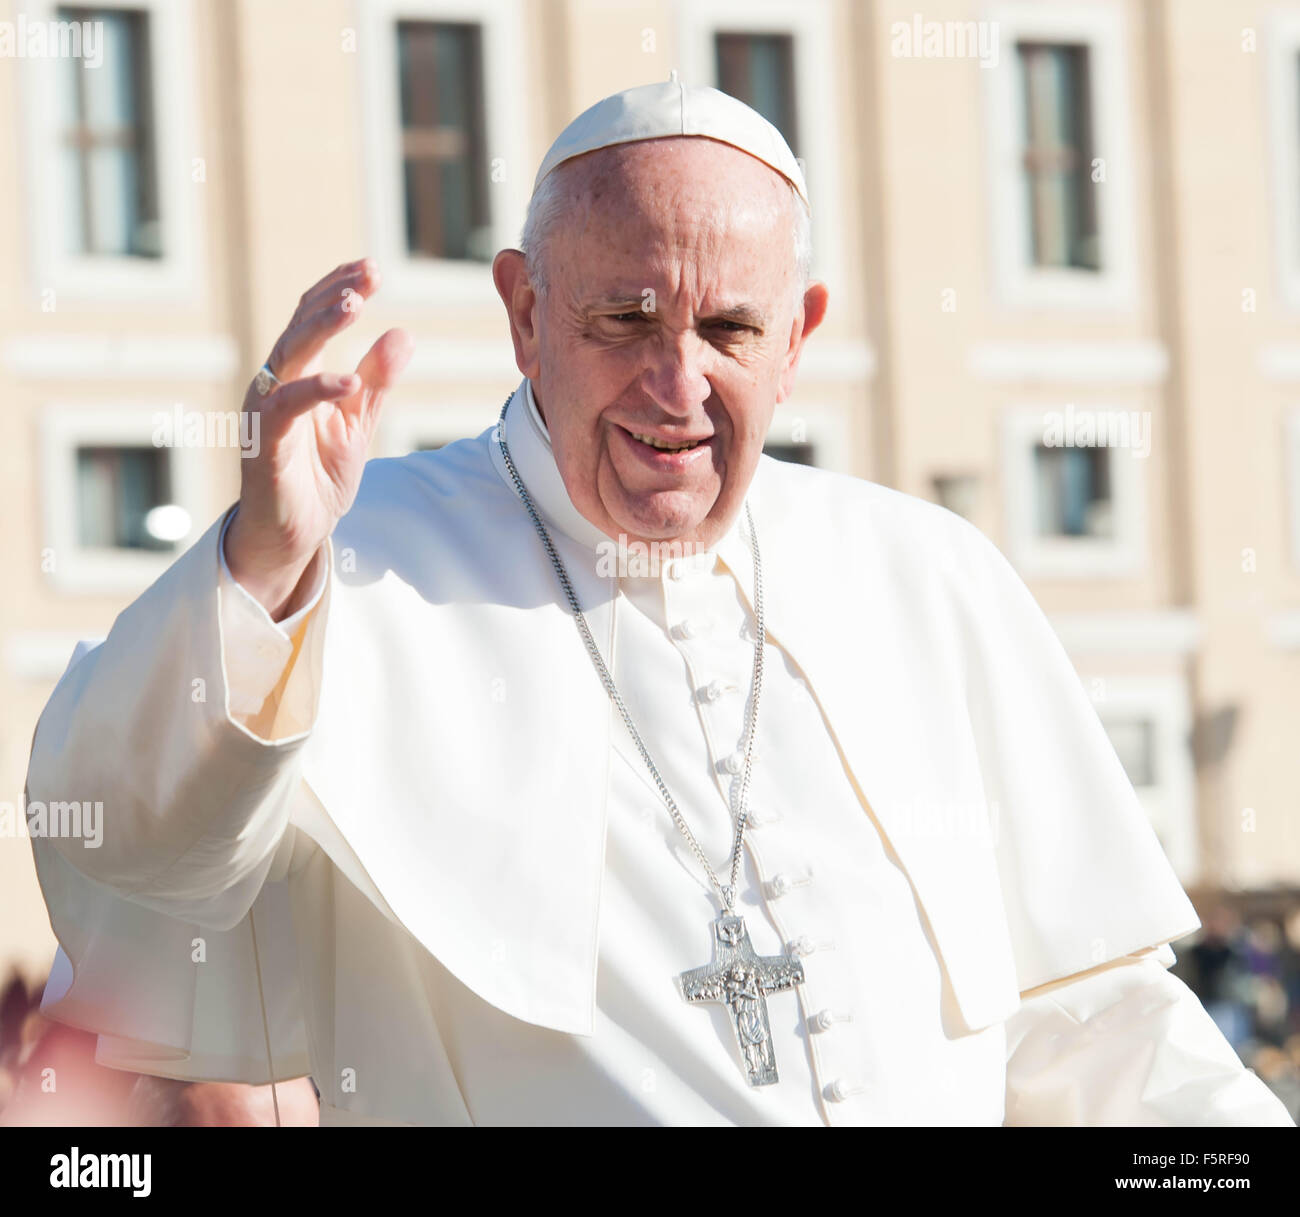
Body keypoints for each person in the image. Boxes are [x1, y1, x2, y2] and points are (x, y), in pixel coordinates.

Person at [24, 77, 1293, 1126]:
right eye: (624, 317)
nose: (674, 383)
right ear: (524, 313)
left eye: (729, 329)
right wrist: (258, 568)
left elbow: (1099, 1036)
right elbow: (144, 858)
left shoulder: (929, 574)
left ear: (797, 336)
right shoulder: (352, 565)